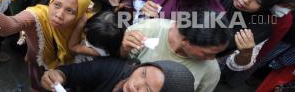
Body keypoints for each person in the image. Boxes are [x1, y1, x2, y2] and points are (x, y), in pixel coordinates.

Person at [0, 0, 92, 91]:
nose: (59, 15)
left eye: (70, 11)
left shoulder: (86, 25)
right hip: (38, 64)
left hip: (67, 71)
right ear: (51, 1)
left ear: (80, 13)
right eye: (57, 5)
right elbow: (12, 24)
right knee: (38, 85)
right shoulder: (38, 15)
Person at [120, 11, 232, 92]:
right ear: (185, 41)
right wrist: (123, 49)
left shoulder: (211, 72)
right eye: (207, 53)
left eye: (217, 54)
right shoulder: (147, 30)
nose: (213, 58)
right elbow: (113, 64)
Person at [41, 58, 195, 92]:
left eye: (147, 90)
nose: (136, 85)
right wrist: (58, 75)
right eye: (143, 73)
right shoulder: (114, 69)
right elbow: (73, 73)